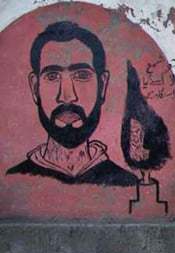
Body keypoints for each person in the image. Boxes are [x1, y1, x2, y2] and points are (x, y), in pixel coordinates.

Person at [6, 21, 137, 186]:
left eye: (81, 76)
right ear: (34, 88)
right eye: (52, 76)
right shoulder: (14, 180)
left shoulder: (126, 184)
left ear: (102, 86)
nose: (67, 96)